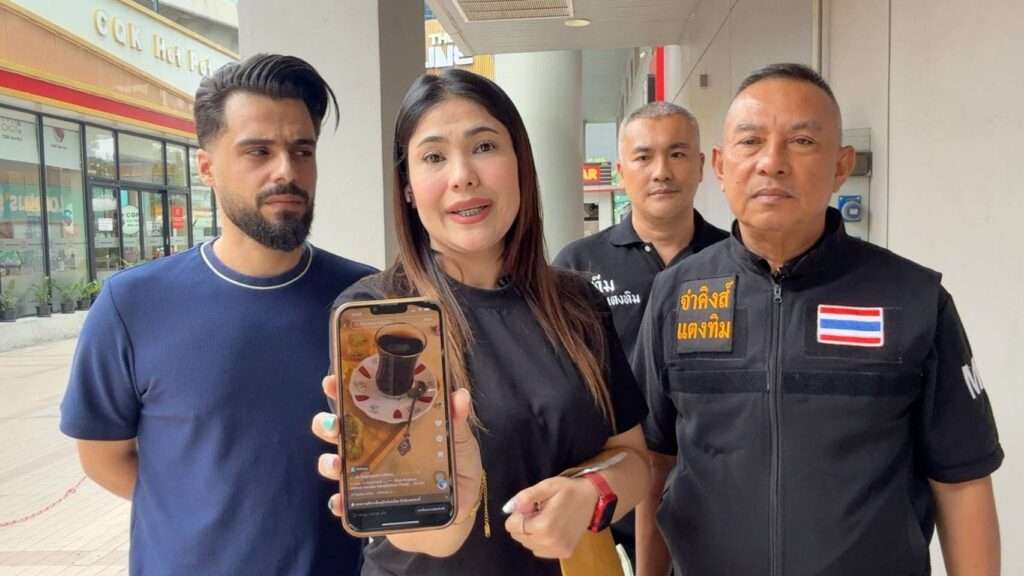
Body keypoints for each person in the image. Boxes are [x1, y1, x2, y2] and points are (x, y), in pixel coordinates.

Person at [634, 63, 1002, 576]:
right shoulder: (676, 294)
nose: (772, 163)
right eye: (750, 142)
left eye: (802, 141)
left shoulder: (912, 298)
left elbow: (962, 480)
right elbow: (656, 460)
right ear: (719, 164)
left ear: (840, 165)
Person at [310, 68, 651, 575]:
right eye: (433, 157)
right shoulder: (383, 316)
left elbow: (634, 458)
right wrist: (457, 507)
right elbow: (416, 529)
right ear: (407, 187)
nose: (463, 175)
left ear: (520, 165)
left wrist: (590, 492)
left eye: (485, 146)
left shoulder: (576, 303)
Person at [60, 54, 374, 575]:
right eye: (258, 151)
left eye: (302, 150)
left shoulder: (365, 300)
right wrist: (203, 518)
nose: (286, 171)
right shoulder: (133, 304)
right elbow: (102, 457)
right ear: (206, 167)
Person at [553, 101, 727, 565]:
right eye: (644, 156)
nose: (661, 171)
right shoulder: (576, 268)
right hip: (611, 502)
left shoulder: (734, 261)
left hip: (715, 498)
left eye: (677, 154)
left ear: (701, 166)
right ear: (621, 170)